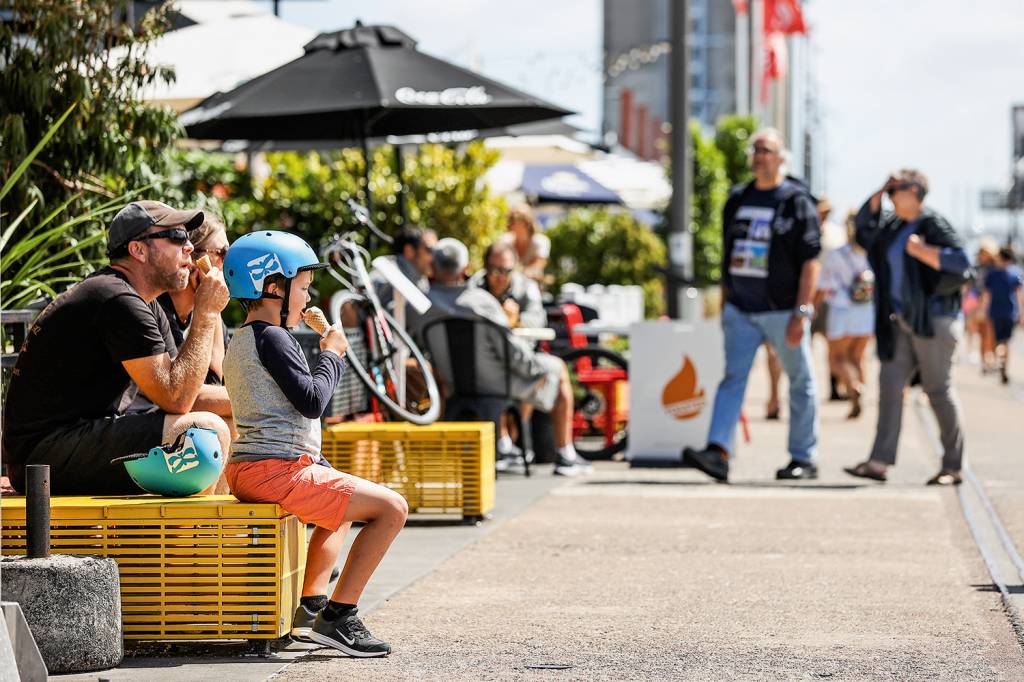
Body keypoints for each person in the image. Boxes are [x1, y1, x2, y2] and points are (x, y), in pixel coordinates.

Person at [222, 230, 407, 657]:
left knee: (340, 506)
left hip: (258, 467)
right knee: (392, 509)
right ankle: (339, 618)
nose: (308, 298)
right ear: (273, 287)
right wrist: (333, 355)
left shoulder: (247, 336)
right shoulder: (273, 337)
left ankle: (313, 603)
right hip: (275, 470)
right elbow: (312, 401)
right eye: (302, 287)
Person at [2, 200, 232, 495]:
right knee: (202, 435)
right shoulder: (116, 299)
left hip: (73, 441)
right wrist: (206, 313)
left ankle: (215, 540)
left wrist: (254, 404)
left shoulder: (140, 300)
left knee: (227, 422)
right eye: (176, 237)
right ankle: (186, 542)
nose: (188, 247)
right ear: (138, 249)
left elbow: (187, 388)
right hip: (43, 456)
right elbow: (178, 399)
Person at [682, 128, 822, 482]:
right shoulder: (738, 198)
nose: (760, 156)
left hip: (783, 310)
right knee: (732, 379)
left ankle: (803, 458)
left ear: (781, 158)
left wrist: (802, 311)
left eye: (768, 150)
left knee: (800, 380)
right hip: (740, 309)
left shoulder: (796, 200)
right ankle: (718, 452)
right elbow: (728, 253)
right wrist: (726, 300)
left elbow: (811, 261)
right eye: (756, 150)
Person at [416, 238, 591, 476]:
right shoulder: (482, 302)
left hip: (452, 384)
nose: (500, 275)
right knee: (553, 368)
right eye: (495, 270)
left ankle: (508, 444)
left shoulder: (421, 303)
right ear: (469, 269)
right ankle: (563, 453)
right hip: (497, 380)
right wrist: (533, 370)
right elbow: (515, 354)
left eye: (506, 270)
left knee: (527, 370)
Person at [844, 169, 972, 486]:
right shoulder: (891, 227)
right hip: (899, 321)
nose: (889, 196)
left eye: (894, 189)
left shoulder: (933, 223)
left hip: (933, 320)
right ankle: (879, 461)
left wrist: (923, 251)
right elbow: (863, 232)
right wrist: (876, 194)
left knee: (937, 390)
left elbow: (962, 264)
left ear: (914, 190)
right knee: (889, 387)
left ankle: (953, 466)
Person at [122, 214, 233, 422]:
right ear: (193, 260)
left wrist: (211, 309)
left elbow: (215, 383)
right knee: (220, 421)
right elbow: (188, 397)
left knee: (233, 421)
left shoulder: (207, 316)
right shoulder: (157, 309)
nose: (229, 262)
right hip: (136, 420)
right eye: (222, 253)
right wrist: (264, 402)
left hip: (163, 418)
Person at [818, 211, 875, 418]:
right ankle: (857, 397)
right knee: (858, 358)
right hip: (866, 312)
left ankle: (854, 386)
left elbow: (824, 285)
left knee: (837, 358)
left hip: (841, 310)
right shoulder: (871, 255)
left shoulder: (837, 254)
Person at [467, 241, 547, 329]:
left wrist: (517, 319)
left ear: (514, 268)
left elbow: (540, 320)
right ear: (485, 267)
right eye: (495, 270)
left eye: (507, 271)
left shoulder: (527, 286)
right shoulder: (474, 285)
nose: (501, 278)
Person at [981, 246, 1023, 384]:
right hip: (1011, 312)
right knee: (1006, 341)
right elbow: (1019, 295)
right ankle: (1003, 366)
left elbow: (987, 295)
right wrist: (1022, 314)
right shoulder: (1015, 273)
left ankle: (997, 359)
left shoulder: (992, 274)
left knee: (997, 340)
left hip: (995, 311)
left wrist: (983, 310)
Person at [370, 225, 437, 309]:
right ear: (409, 251)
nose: (435, 257)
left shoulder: (421, 279)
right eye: (430, 250)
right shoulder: (385, 274)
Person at [501, 205, 550, 284]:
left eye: (515, 219)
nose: (511, 222)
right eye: (510, 218)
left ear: (527, 222)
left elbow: (537, 266)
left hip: (532, 287)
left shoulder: (540, 241)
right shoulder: (505, 241)